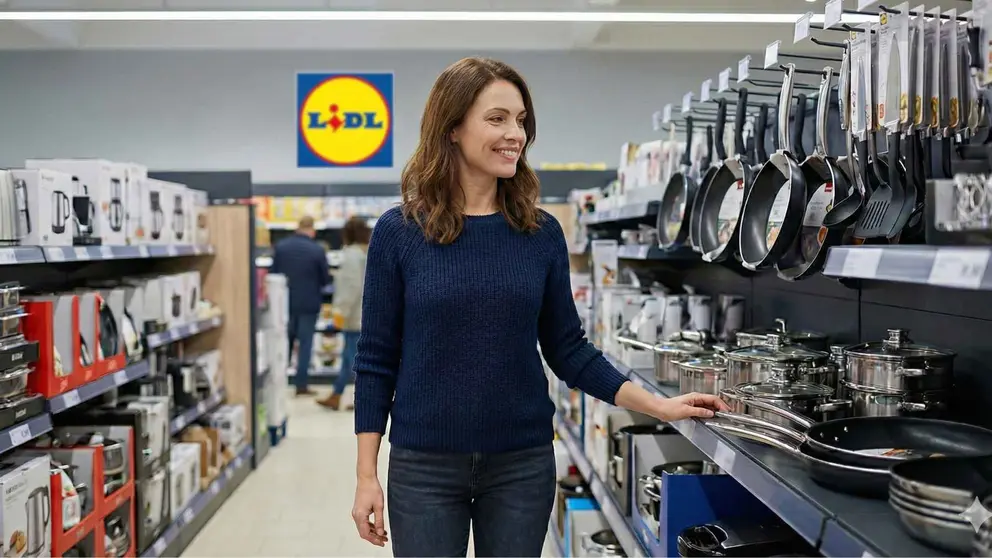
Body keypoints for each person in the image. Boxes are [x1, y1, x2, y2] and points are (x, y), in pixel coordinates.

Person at [350, 57, 729, 558]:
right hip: (424, 466)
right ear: (452, 129)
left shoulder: (539, 233)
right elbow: (376, 360)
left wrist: (659, 406)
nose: (516, 134)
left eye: (522, 120)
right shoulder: (400, 233)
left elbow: (568, 350)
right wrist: (365, 476)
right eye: (498, 118)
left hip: (520, 464)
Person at [270, 215, 330, 397]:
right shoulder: (317, 250)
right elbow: (325, 279)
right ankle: (301, 385)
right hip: (309, 304)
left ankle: (278, 383)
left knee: (283, 344)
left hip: (284, 304)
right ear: (311, 230)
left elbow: (273, 274)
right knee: (305, 345)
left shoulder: (281, 247)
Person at [318, 216, 371, 410]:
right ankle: (337, 394)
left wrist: (340, 312)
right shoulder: (367, 253)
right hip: (364, 314)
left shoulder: (351, 255)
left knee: (353, 359)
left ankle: (362, 399)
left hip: (353, 316)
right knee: (350, 358)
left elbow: (351, 286)